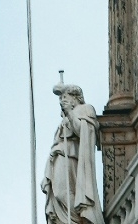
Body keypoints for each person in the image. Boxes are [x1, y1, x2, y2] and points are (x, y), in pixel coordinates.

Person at [41, 83, 101, 224]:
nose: (62, 101)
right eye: (61, 98)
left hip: (71, 157)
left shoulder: (85, 109)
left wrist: (70, 113)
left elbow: (83, 131)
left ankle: (75, 220)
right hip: (58, 157)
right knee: (57, 193)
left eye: (65, 97)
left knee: (63, 193)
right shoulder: (65, 118)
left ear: (75, 97)